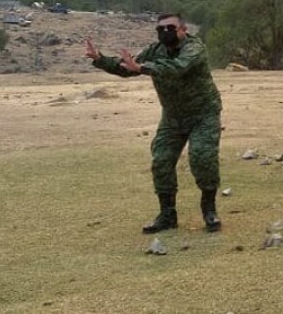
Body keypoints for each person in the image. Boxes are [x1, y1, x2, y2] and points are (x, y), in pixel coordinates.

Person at [85, 13, 224, 233]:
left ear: (183, 30)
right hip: (173, 117)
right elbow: (128, 67)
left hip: (203, 114)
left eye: (170, 28)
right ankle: (167, 215)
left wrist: (142, 69)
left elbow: (178, 68)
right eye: (160, 29)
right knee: (161, 160)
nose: (165, 33)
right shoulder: (155, 50)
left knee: (202, 157)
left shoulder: (194, 48)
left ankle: (209, 209)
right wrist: (100, 59)